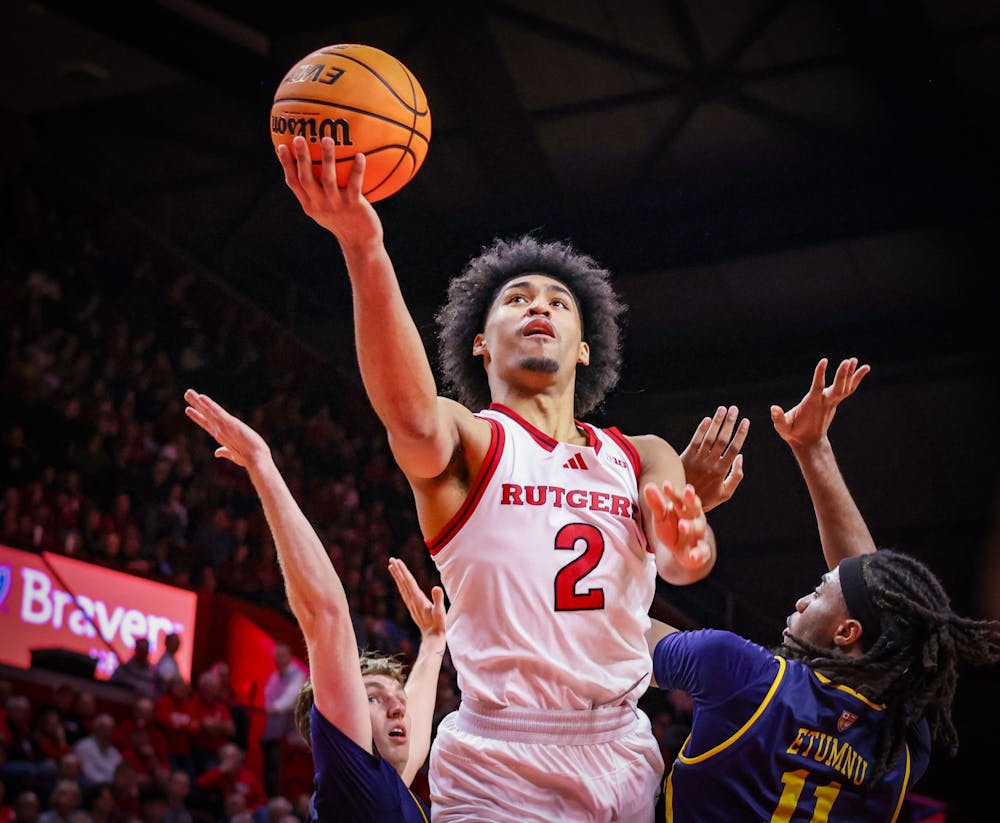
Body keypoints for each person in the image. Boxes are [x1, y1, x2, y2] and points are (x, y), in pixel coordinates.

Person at [275, 133, 746, 821]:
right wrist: (363, 248)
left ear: (586, 346)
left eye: (559, 302)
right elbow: (406, 414)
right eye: (517, 298)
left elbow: (676, 567)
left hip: (623, 744)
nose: (539, 306)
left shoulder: (642, 453)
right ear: (479, 339)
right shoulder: (471, 443)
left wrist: (690, 543)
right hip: (502, 758)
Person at [647, 357, 1000, 821]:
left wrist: (652, 532)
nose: (800, 600)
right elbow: (872, 593)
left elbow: (598, 632)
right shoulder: (899, 748)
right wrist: (812, 447)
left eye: (817, 592)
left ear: (847, 632)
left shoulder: (744, 677)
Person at [184, 390, 448, 822]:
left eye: (393, 698)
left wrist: (434, 641)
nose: (399, 706)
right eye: (374, 699)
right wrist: (261, 465)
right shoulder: (353, 783)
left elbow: (413, 728)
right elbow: (325, 616)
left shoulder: (386, 789)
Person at [259, 643, 306, 796]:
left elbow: (290, 698)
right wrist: (271, 708)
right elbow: (267, 698)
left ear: (289, 656)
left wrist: (276, 708)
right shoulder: (274, 677)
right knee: (268, 769)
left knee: (281, 771)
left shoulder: (297, 675)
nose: (278, 659)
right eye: (276, 656)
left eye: (282, 655)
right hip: (271, 731)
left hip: (286, 734)